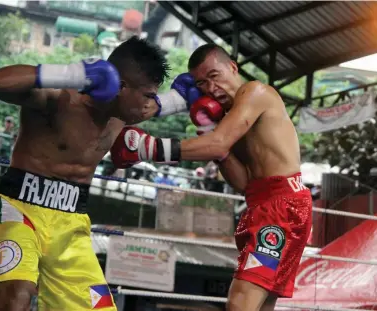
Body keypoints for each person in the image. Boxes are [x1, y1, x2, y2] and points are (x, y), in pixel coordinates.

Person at [0, 36, 171, 311]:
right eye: (147, 95)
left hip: (72, 222)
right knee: (17, 295)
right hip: (19, 209)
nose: (150, 104)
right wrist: (71, 73)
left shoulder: (125, 112)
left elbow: (170, 103)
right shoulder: (61, 97)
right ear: (121, 86)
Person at [111, 44, 312, 311]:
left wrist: (150, 148)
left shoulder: (255, 93)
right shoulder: (229, 119)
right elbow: (242, 182)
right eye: (201, 83)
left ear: (232, 67)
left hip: (282, 208)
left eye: (215, 76)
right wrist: (208, 130)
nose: (210, 88)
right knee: (260, 304)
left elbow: (218, 144)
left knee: (240, 303)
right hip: (261, 205)